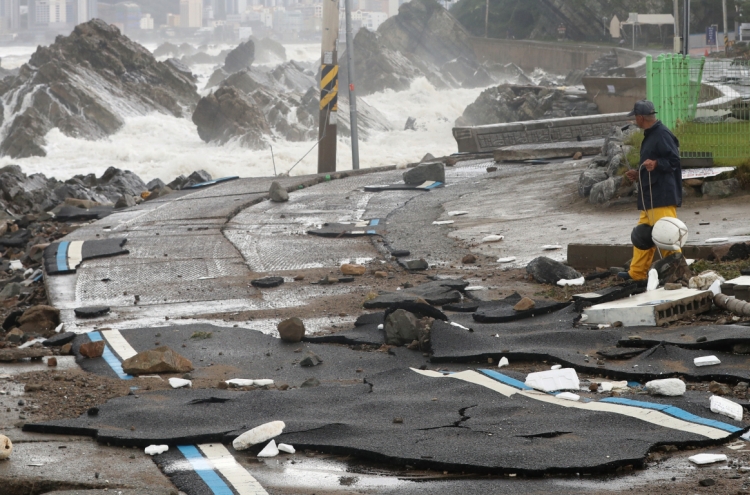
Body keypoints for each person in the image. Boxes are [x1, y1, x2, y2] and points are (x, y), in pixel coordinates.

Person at [619, 100, 682, 281]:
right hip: (650, 197)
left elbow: (674, 161)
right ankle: (637, 273)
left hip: (661, 196)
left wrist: (656, 163)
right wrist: (639, 174)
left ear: (640, 118)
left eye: (635, 118)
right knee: (642, 236)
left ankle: (677, 272)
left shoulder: (662, 134)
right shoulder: (651, 134)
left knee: (666, 235)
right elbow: (653, 166)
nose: (634, 121)